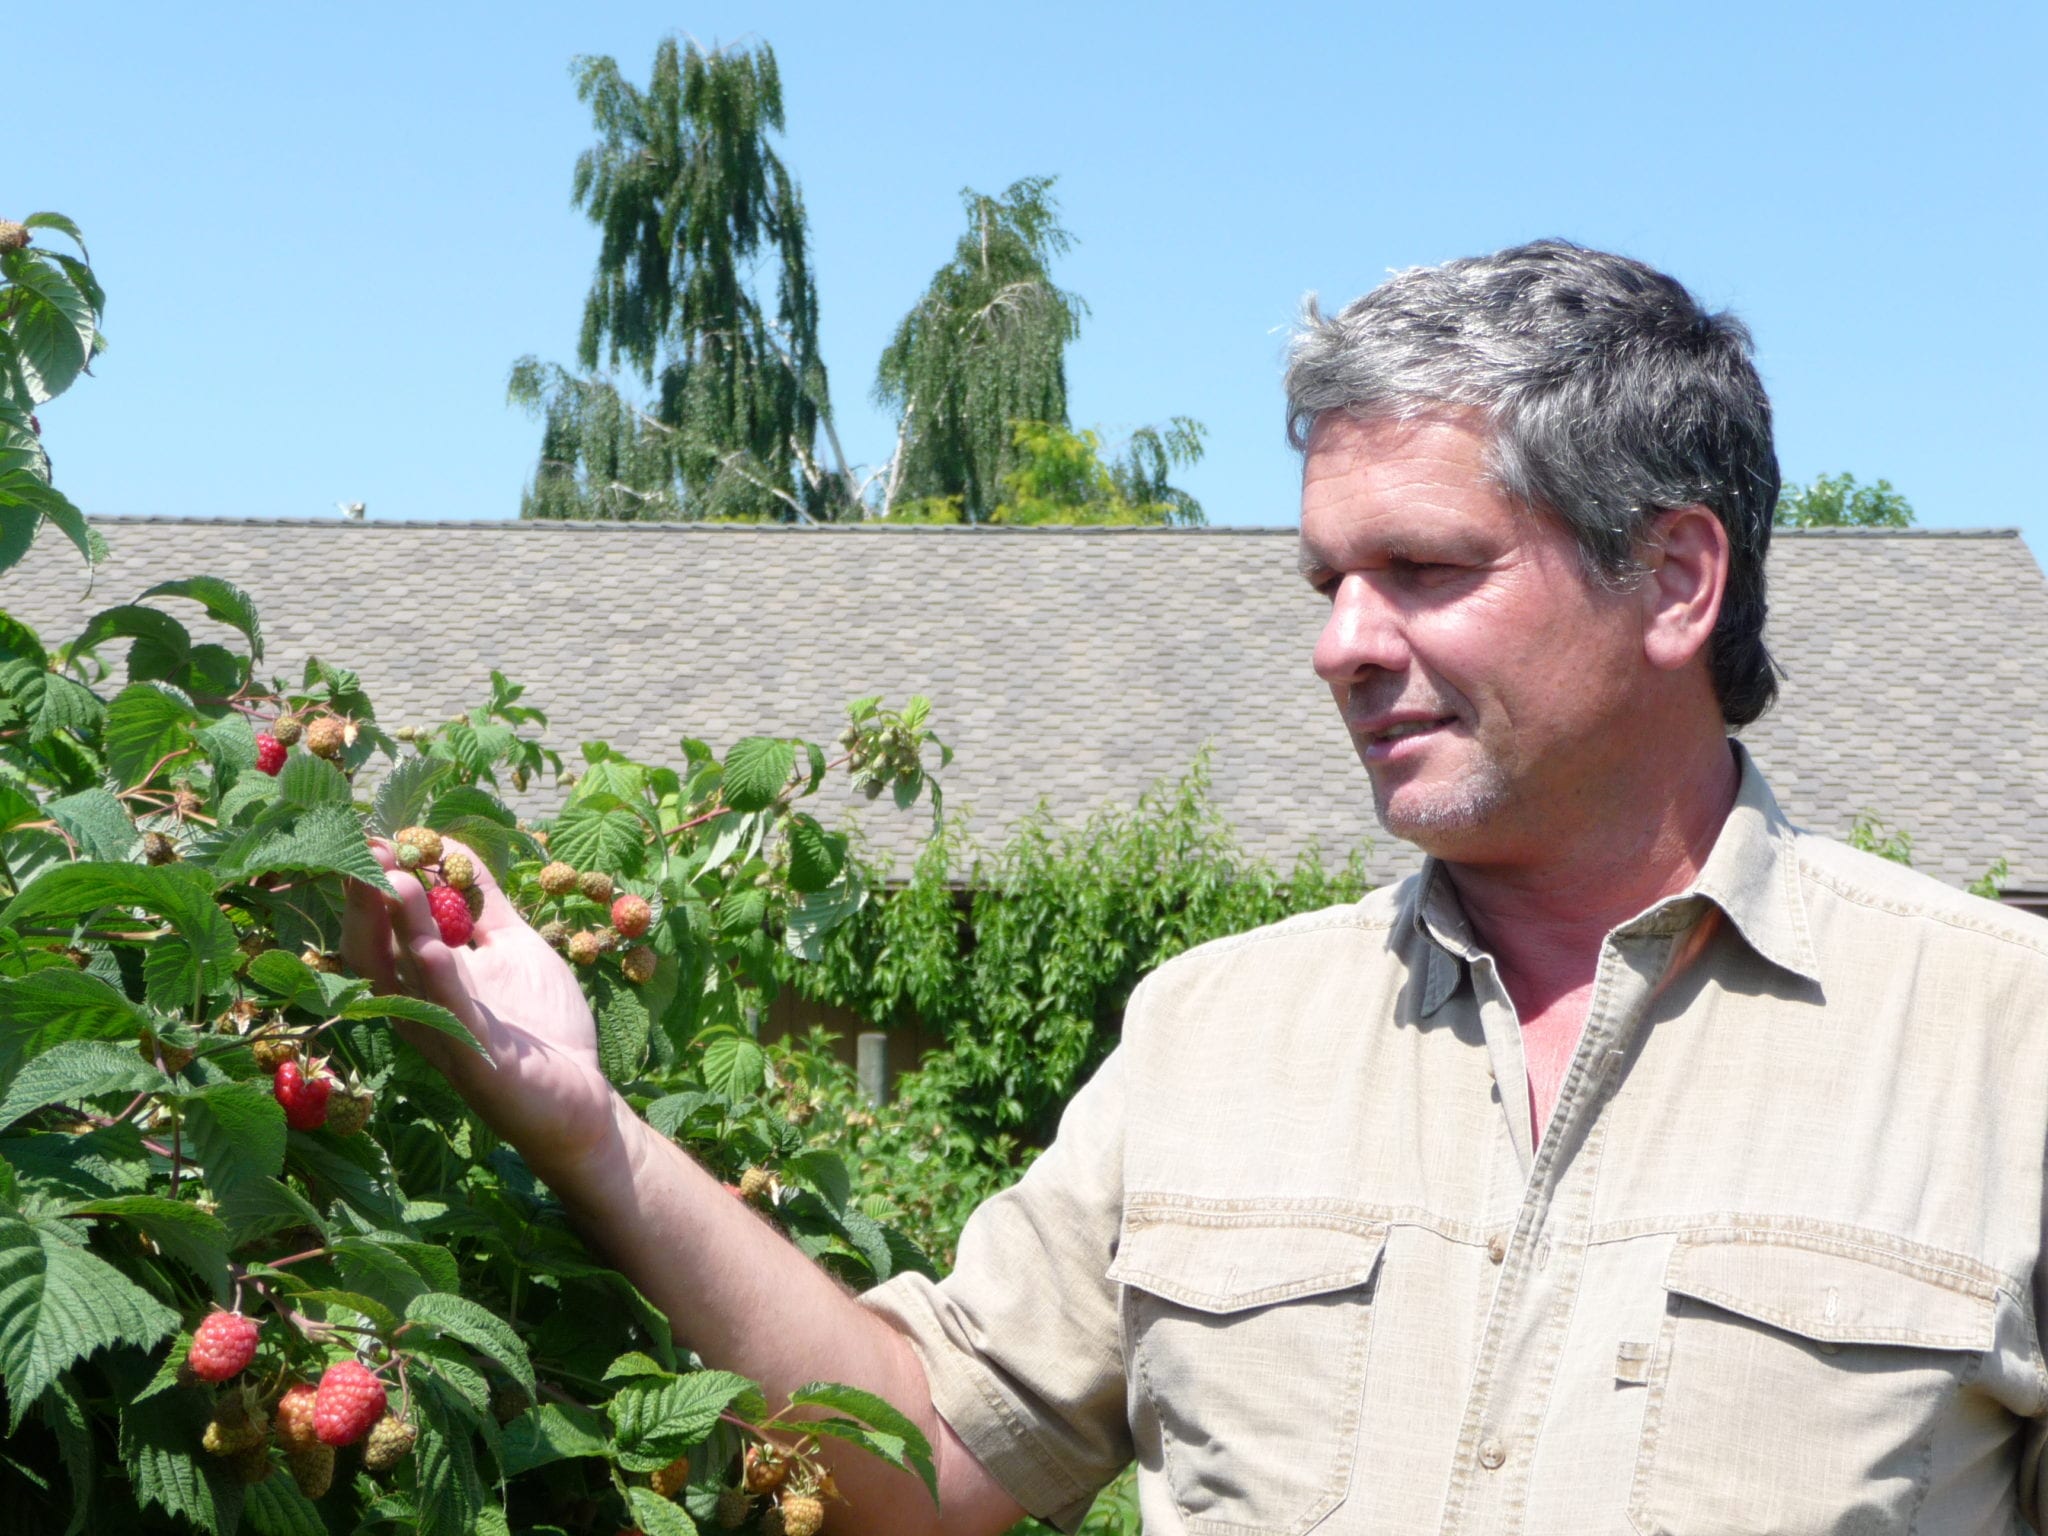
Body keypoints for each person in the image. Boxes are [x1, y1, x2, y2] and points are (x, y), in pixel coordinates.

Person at [343, 240, 2048, 1535]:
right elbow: (917, 1455)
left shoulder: (2004, 1047)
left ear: (1674, 578)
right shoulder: (1216, 1035)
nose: (1342, 646)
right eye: (1328, 580)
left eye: (1427, 572)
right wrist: (577, 1117)